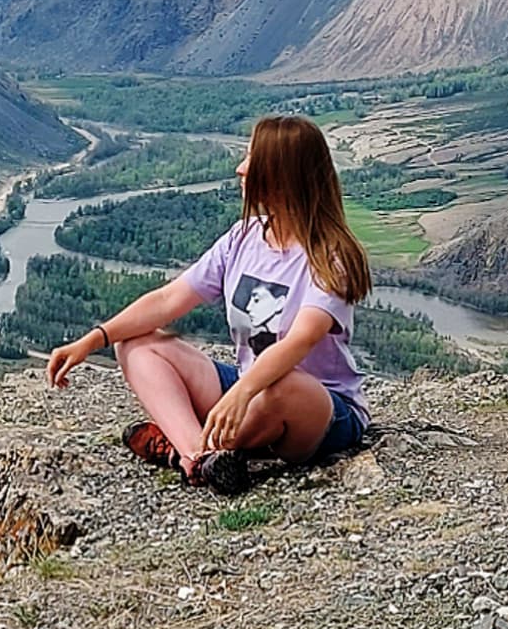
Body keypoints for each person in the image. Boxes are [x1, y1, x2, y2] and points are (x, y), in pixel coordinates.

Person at [42, 115, 373, 495]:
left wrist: (240, 394)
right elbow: (169, 299)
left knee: (284, 386)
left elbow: (298, 341)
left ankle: (185, 447)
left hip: (322, 408)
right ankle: (196, 457)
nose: (241, 168)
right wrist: (93, 339)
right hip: (248, 389)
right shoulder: (244, 237)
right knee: (135, 343)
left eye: (252, 158)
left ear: (281, 175)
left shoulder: (330, 257)